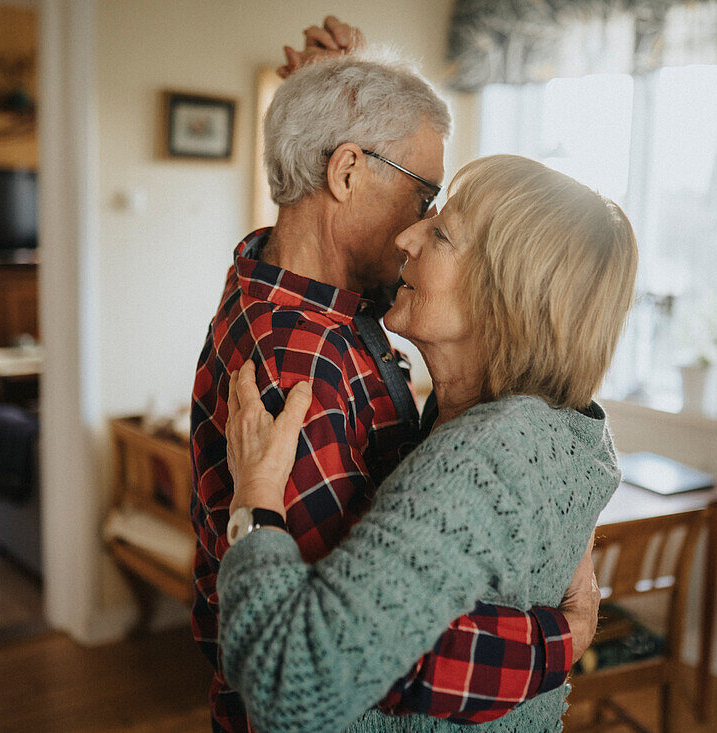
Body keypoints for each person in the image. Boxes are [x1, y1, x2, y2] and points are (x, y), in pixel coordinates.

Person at [190, 25, 599, 732]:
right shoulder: (300, 366)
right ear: (347, 173)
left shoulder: (302, 288)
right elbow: (353, 652)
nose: (421, 226)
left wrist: (319, 99)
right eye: (424, 195)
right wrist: (563, 639)